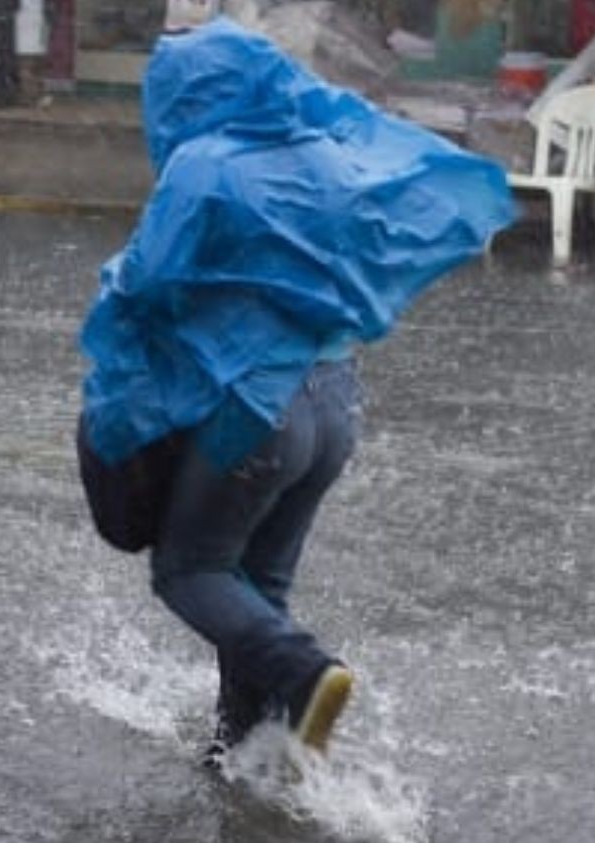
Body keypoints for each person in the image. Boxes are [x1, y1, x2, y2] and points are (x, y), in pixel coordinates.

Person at [77, 19, 514, 767]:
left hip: (256, 412)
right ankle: (241, 752)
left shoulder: (205, 164)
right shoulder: (326, 151)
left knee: (192, 569)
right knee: (257, 586)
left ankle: (306, 674)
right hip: (333, 403)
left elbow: (149, 283)